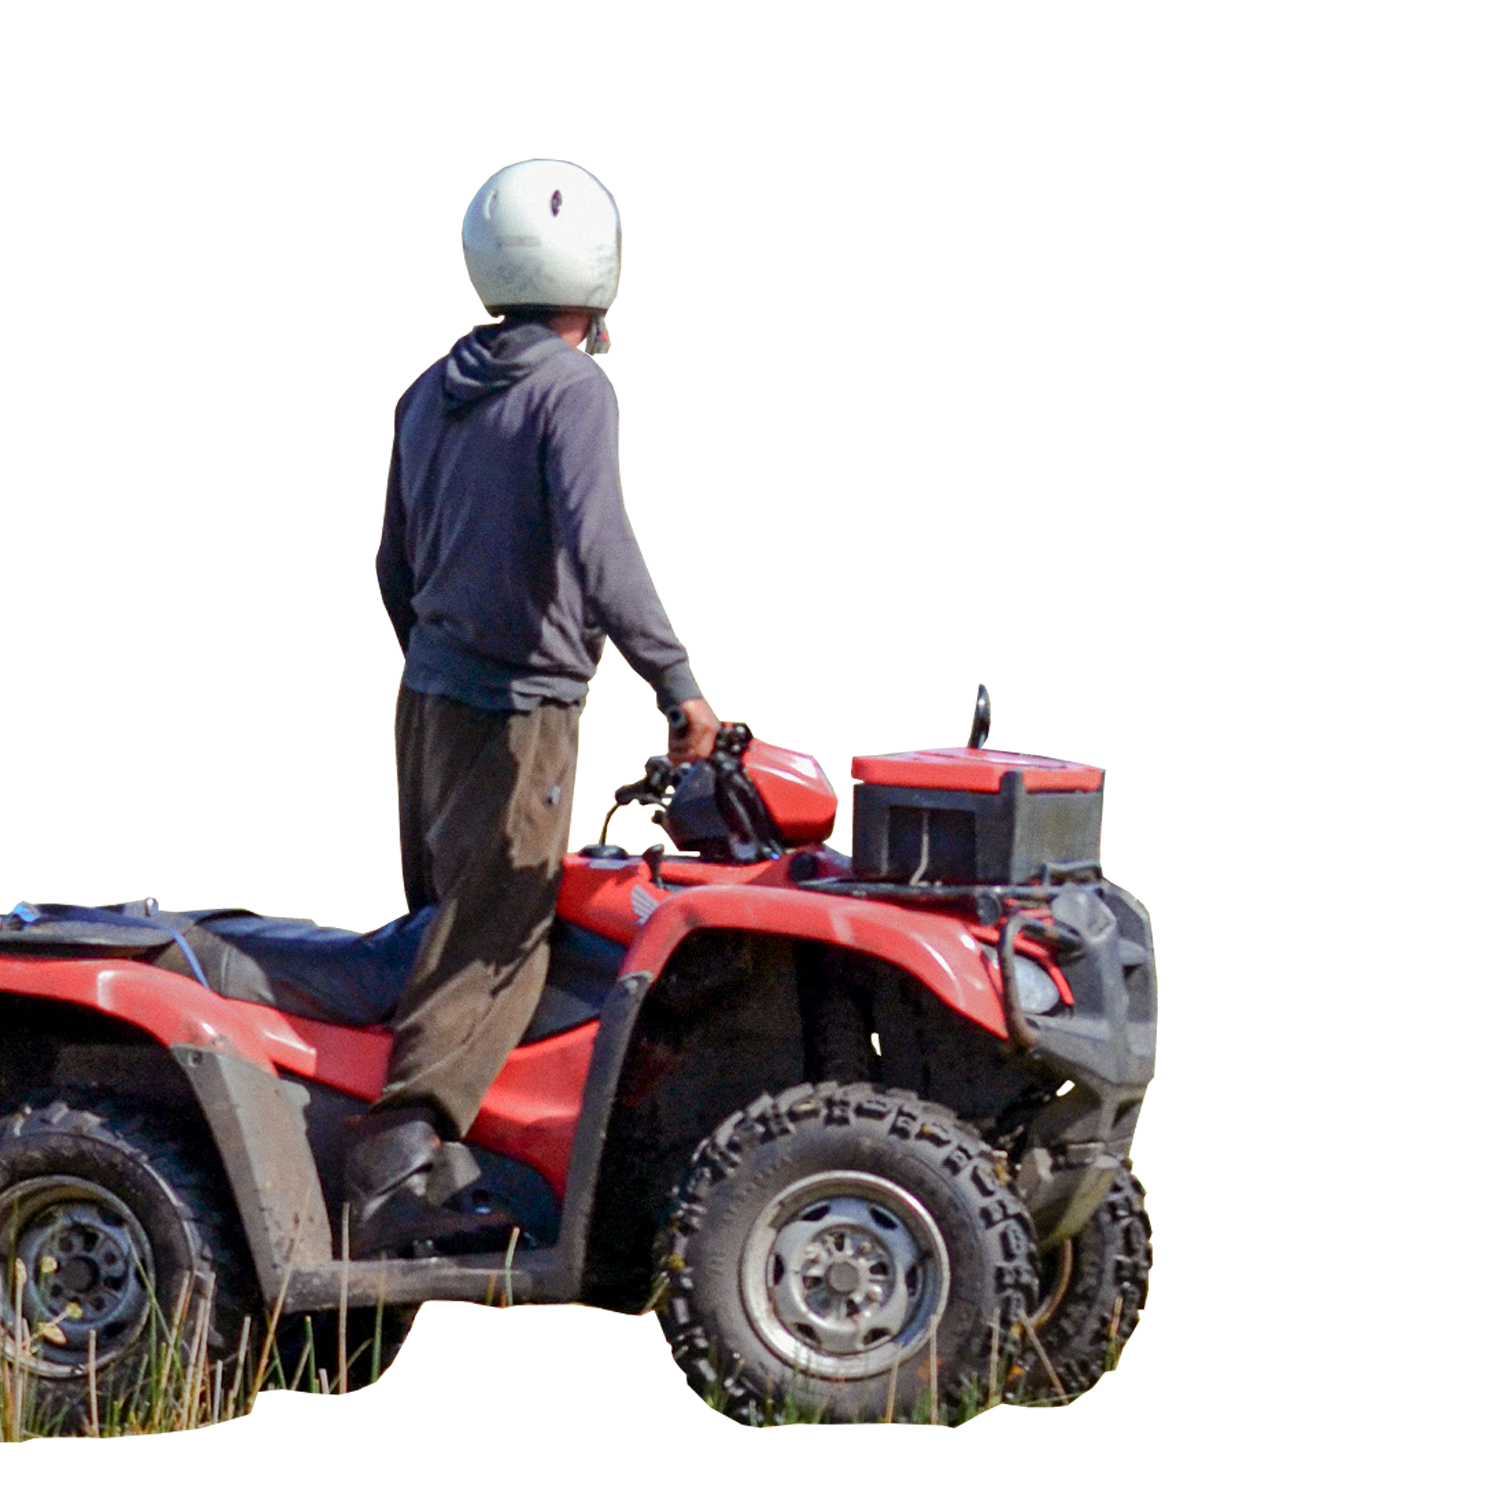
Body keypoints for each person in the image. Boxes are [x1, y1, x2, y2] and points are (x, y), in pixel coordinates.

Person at [349, 161, 719, 1259]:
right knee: (498, 937)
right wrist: (677, 682)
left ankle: (455, 1151)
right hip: (519, 709)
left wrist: (438, 661)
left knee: (438, 928)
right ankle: (395, 1167)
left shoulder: (430, 392)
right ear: (594, 280)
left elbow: (393, 568)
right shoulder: (569, 389)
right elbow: (602, 553)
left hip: (429, 703)